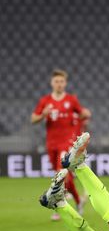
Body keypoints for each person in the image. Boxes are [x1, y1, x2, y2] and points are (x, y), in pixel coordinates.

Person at [31, 69, 90, 220]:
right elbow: (33, 119)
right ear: (52, 83)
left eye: (62, 81)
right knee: (64, 177)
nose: (59, 84)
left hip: (67, 142)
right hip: (51, 143)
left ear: (65, 83)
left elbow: (83, 113)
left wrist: (85, 114)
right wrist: (43, 114)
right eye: (56, 81)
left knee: (61, 174)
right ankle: (78, 201)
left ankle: (58, 208)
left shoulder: (71, 100)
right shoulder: (45, 101)